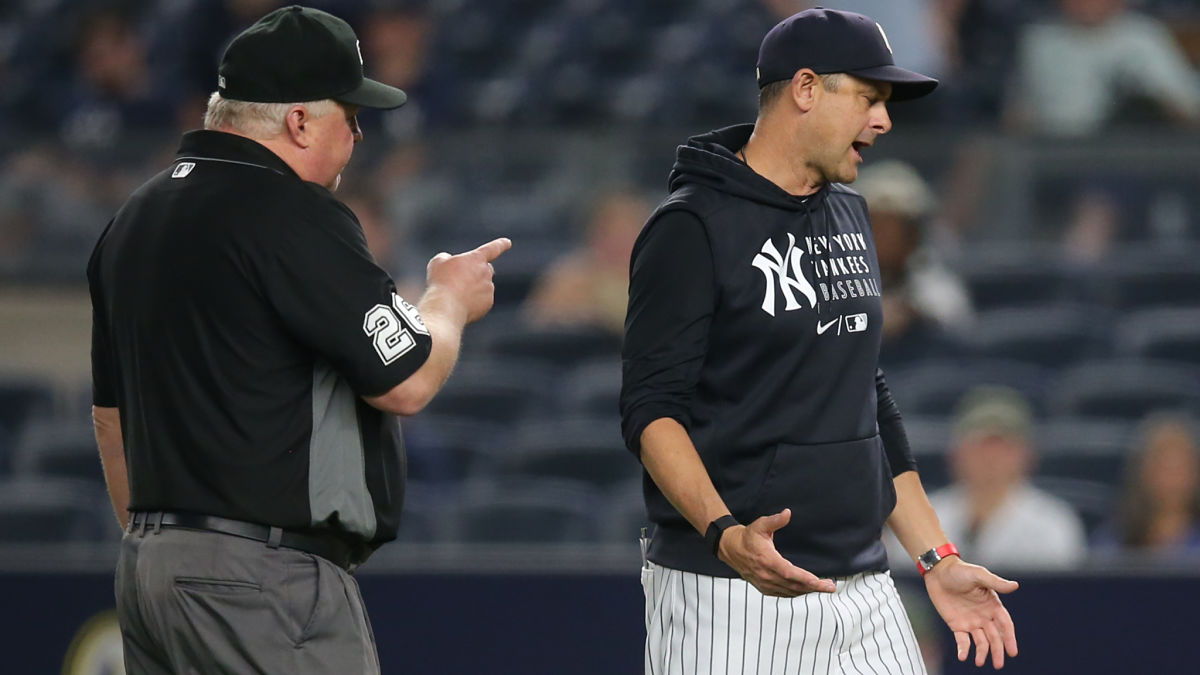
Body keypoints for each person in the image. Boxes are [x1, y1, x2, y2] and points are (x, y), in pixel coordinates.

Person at [88, 7, 509, 673]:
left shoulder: (133, 218)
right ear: (299, 120)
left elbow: (111, 422)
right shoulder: (290, 211)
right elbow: (408, 379)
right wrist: (447, 300)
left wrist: (170, 549)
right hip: (260, 577)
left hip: (149, 565)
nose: (360, 132)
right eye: (351, 114)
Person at [619, 9, 1018, 673]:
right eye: (868, 97)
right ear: (805, 89)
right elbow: (651, 409)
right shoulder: (692, 226)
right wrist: (723, 534)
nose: (884, 120)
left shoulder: (850, 211)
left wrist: (937, 560)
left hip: (866, 590)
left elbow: (867, 395)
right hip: (730, 595)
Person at [924, 387, 1088, 570]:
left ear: (1027, 455)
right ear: (956, 453)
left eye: (1004, 448)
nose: (991, 458)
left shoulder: (1053, 522)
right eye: (981, 446)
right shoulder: (926, 515)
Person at [1006, 0, 1200, 137]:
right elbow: (1018, 116)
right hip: (1054, 158)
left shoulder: (1143, 37)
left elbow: (1186, 108)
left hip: (1120, 156)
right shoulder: (1039, 42)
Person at [854, 160, 971, 368]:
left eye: (893, 227)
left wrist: (910, 313)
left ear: (914, 233)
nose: (882, 237)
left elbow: (956, 325)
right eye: (875, 224)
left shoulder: (931, 278)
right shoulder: (833, 272)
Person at [522, 190, 649, 336]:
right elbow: (536, 324)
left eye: (628, 232)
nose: (620, 242)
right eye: (610, 232)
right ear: (593, 235)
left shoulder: (663, 278)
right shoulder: (569, 277)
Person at [1094, 412, 1200, 561]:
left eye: (1179, 467)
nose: (1170, 478)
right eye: (1161, 465)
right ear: (1141, 471)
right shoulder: (1112, 541)